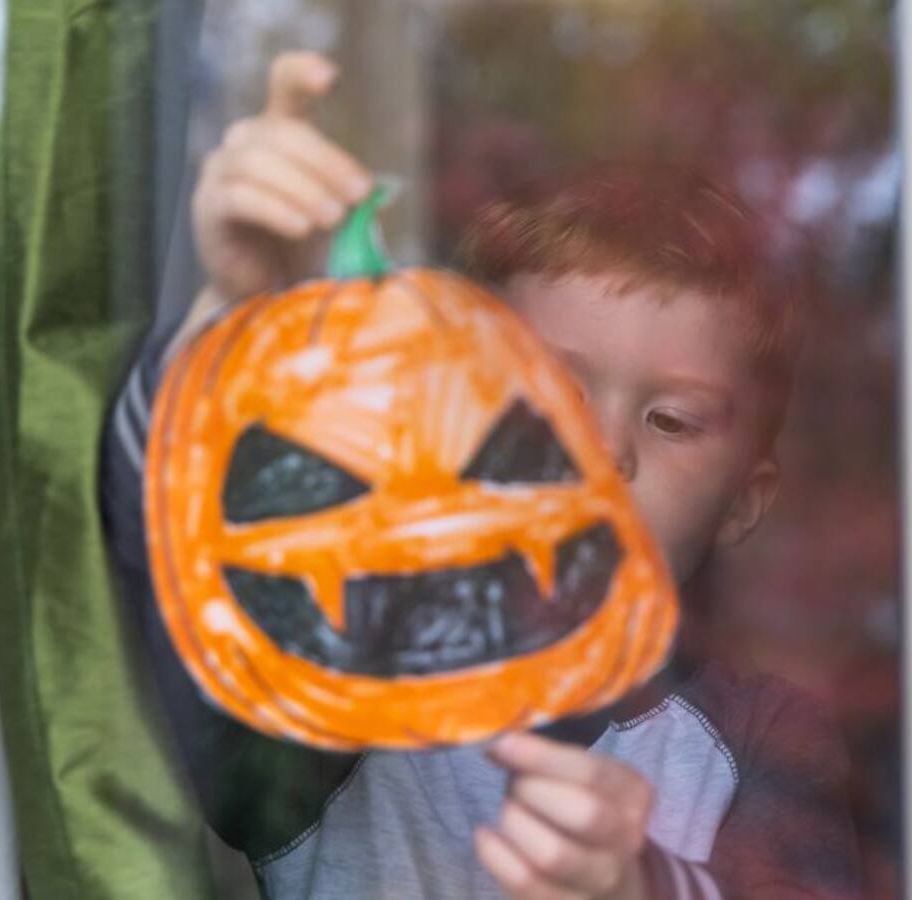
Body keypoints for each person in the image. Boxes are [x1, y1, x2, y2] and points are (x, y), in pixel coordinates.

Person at [101, 52, 860, 899]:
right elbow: (168, 554)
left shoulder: (768, 738)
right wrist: (229, 312)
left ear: (742, 505)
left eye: (672, 420)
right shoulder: (344, 681)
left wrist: (641, 885)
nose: (600, 451)